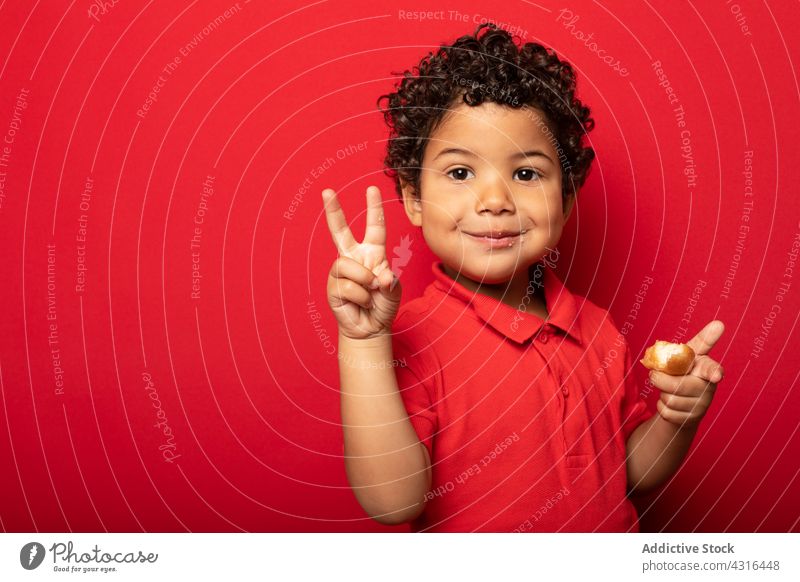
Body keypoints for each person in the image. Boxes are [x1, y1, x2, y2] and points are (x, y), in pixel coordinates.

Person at [322, 22, 725, 532]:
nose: (494, 201)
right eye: (461, 172)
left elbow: (630, 473)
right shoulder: (412, 336)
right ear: (413, 199)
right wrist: (362, 343)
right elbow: (392, 501)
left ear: (566, 199)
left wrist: (676, 417)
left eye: (527, 173)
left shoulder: (598, 331)